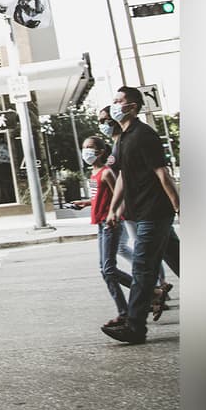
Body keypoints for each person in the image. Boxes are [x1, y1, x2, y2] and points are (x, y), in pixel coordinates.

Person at [101, 87, 181, 344]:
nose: (114, 105)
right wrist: (115, 209)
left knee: (143, 268)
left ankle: (135, 327)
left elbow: (161, 173)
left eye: (119, 101)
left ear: (133, 107)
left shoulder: (144, 135)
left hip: (154, 212)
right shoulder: (122, 139)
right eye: (113, 100)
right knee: (179, 260)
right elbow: (123, 176)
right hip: (140, 212)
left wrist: (178, 205)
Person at [83, 135, 131, 326]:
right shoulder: (93, 174)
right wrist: (85, 203)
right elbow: (98, 198)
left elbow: (121, 197)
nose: (85, 151)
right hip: (101, 224)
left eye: (90, 147)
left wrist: (116, 216)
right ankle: (128, 308)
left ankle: (146, 296)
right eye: (84, 147)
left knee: (108, 269)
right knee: (105, 270)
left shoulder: (106, 172)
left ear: (101, 151)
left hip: (110, 224)